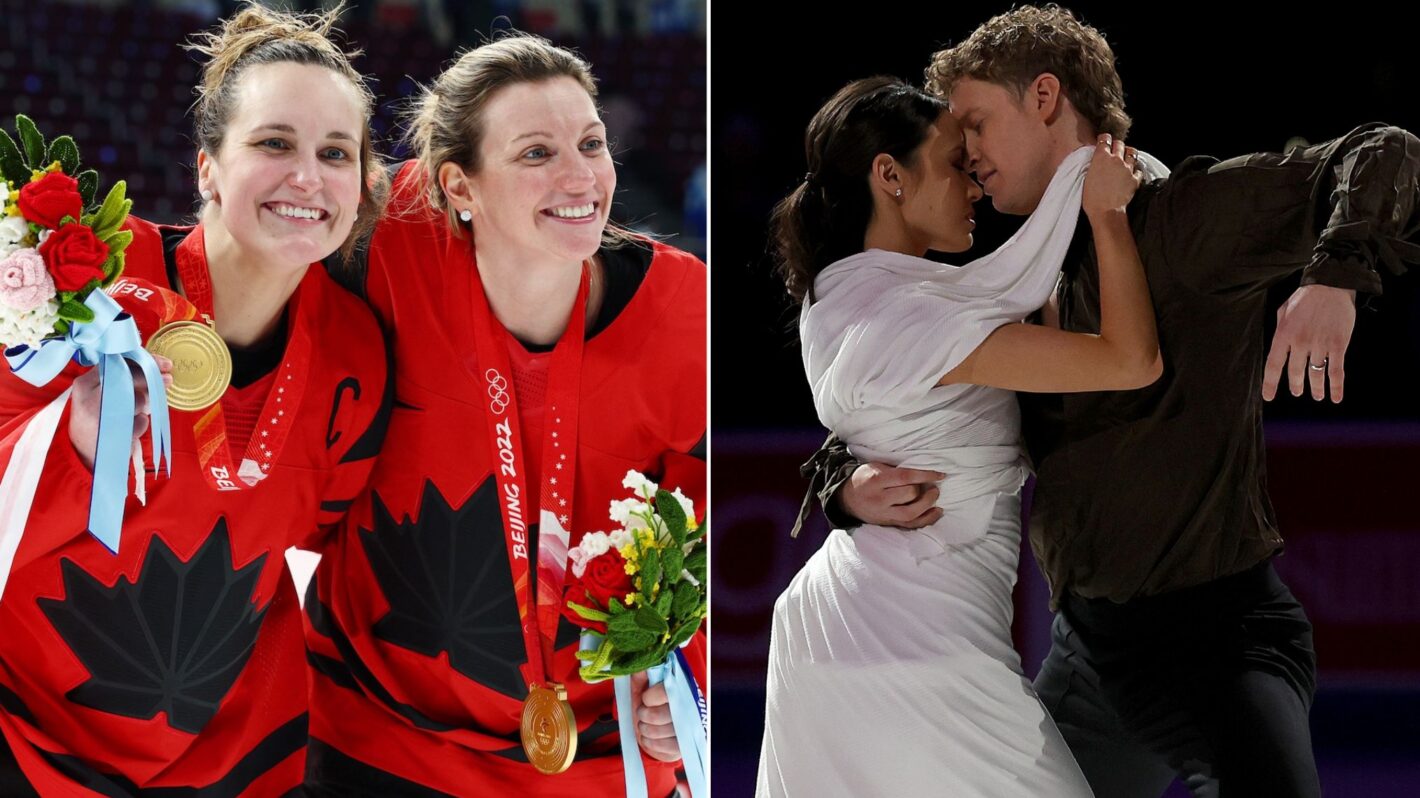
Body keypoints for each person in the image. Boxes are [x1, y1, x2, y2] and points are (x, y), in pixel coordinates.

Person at [805, 6, 1420, 797]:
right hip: (1092, 656)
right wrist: (844, 486)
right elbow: (898, 403)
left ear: (1046, 97)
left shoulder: (1184, 220)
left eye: (978, 125)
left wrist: (1336, 272)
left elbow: (1385, 150)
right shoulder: (1017, 280)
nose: (969, 156)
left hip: (1218, 644)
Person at [300, 33, 707, 796]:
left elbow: (703, 535)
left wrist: (690, 674)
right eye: (535, 154)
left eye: (591, 143)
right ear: (457, 187)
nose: (580, 175)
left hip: (595, 762)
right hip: (379, 741)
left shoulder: (687, 313)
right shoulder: (386, 244)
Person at [0, 5, 391, 793]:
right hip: (24, 738)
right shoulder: (84, 289)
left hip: (234, 763)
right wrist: (71, 437)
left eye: (335, 152)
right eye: (273, 143)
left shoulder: (358, 355)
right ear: (207, 167)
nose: (307, 176)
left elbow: (317, 549)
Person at [756, 75, 1156, 797]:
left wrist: (843, 490)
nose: (974, 182)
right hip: (914, 653)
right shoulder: (914, 317)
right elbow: (1130, 360)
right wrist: (1107, 215)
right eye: (954, 163)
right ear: (890, 176)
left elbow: (883, 412)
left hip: (845, 634)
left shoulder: (839, 293)